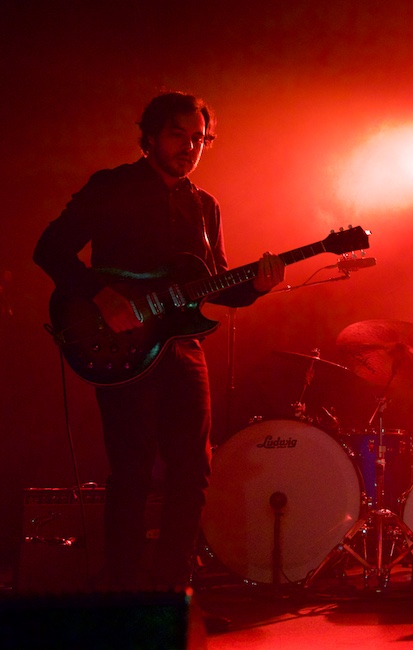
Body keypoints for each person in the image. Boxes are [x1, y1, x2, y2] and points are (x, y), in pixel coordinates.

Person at [33, 91, 286, 590]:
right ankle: (122, 593)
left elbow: (215, 286)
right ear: (149, 136)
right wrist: (101, 296)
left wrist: (256, 286)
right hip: (120, 346)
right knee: (132, 469)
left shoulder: (205, 206)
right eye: (178, 134)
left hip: (182, 349)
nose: (190, 147)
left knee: (193, 471)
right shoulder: (113, 187)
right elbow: (49, 248)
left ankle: (173, 593)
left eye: (199, 138)